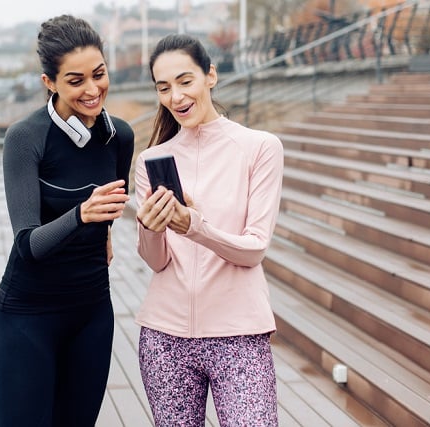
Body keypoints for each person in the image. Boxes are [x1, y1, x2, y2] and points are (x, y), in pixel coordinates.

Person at [0, 14, 134, 426]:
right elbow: (27, 245)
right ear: (49, 82)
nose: (92, 90)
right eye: (75, 81)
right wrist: (81, 215)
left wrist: (103, 232)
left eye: (99, 74)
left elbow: (111, 208)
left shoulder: (119, 136)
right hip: (27, 318)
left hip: (91, 314)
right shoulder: (25, 138)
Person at [133, 33, 284, 426]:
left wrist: (193, 226)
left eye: (185, 81)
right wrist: (150, 228)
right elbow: (156, 261)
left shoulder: (260, 148)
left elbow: (254, 249)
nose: (176, 97)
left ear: (210, 76)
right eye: (163, 88)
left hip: (239, 337)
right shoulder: (152, 160)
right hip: (165, 339)